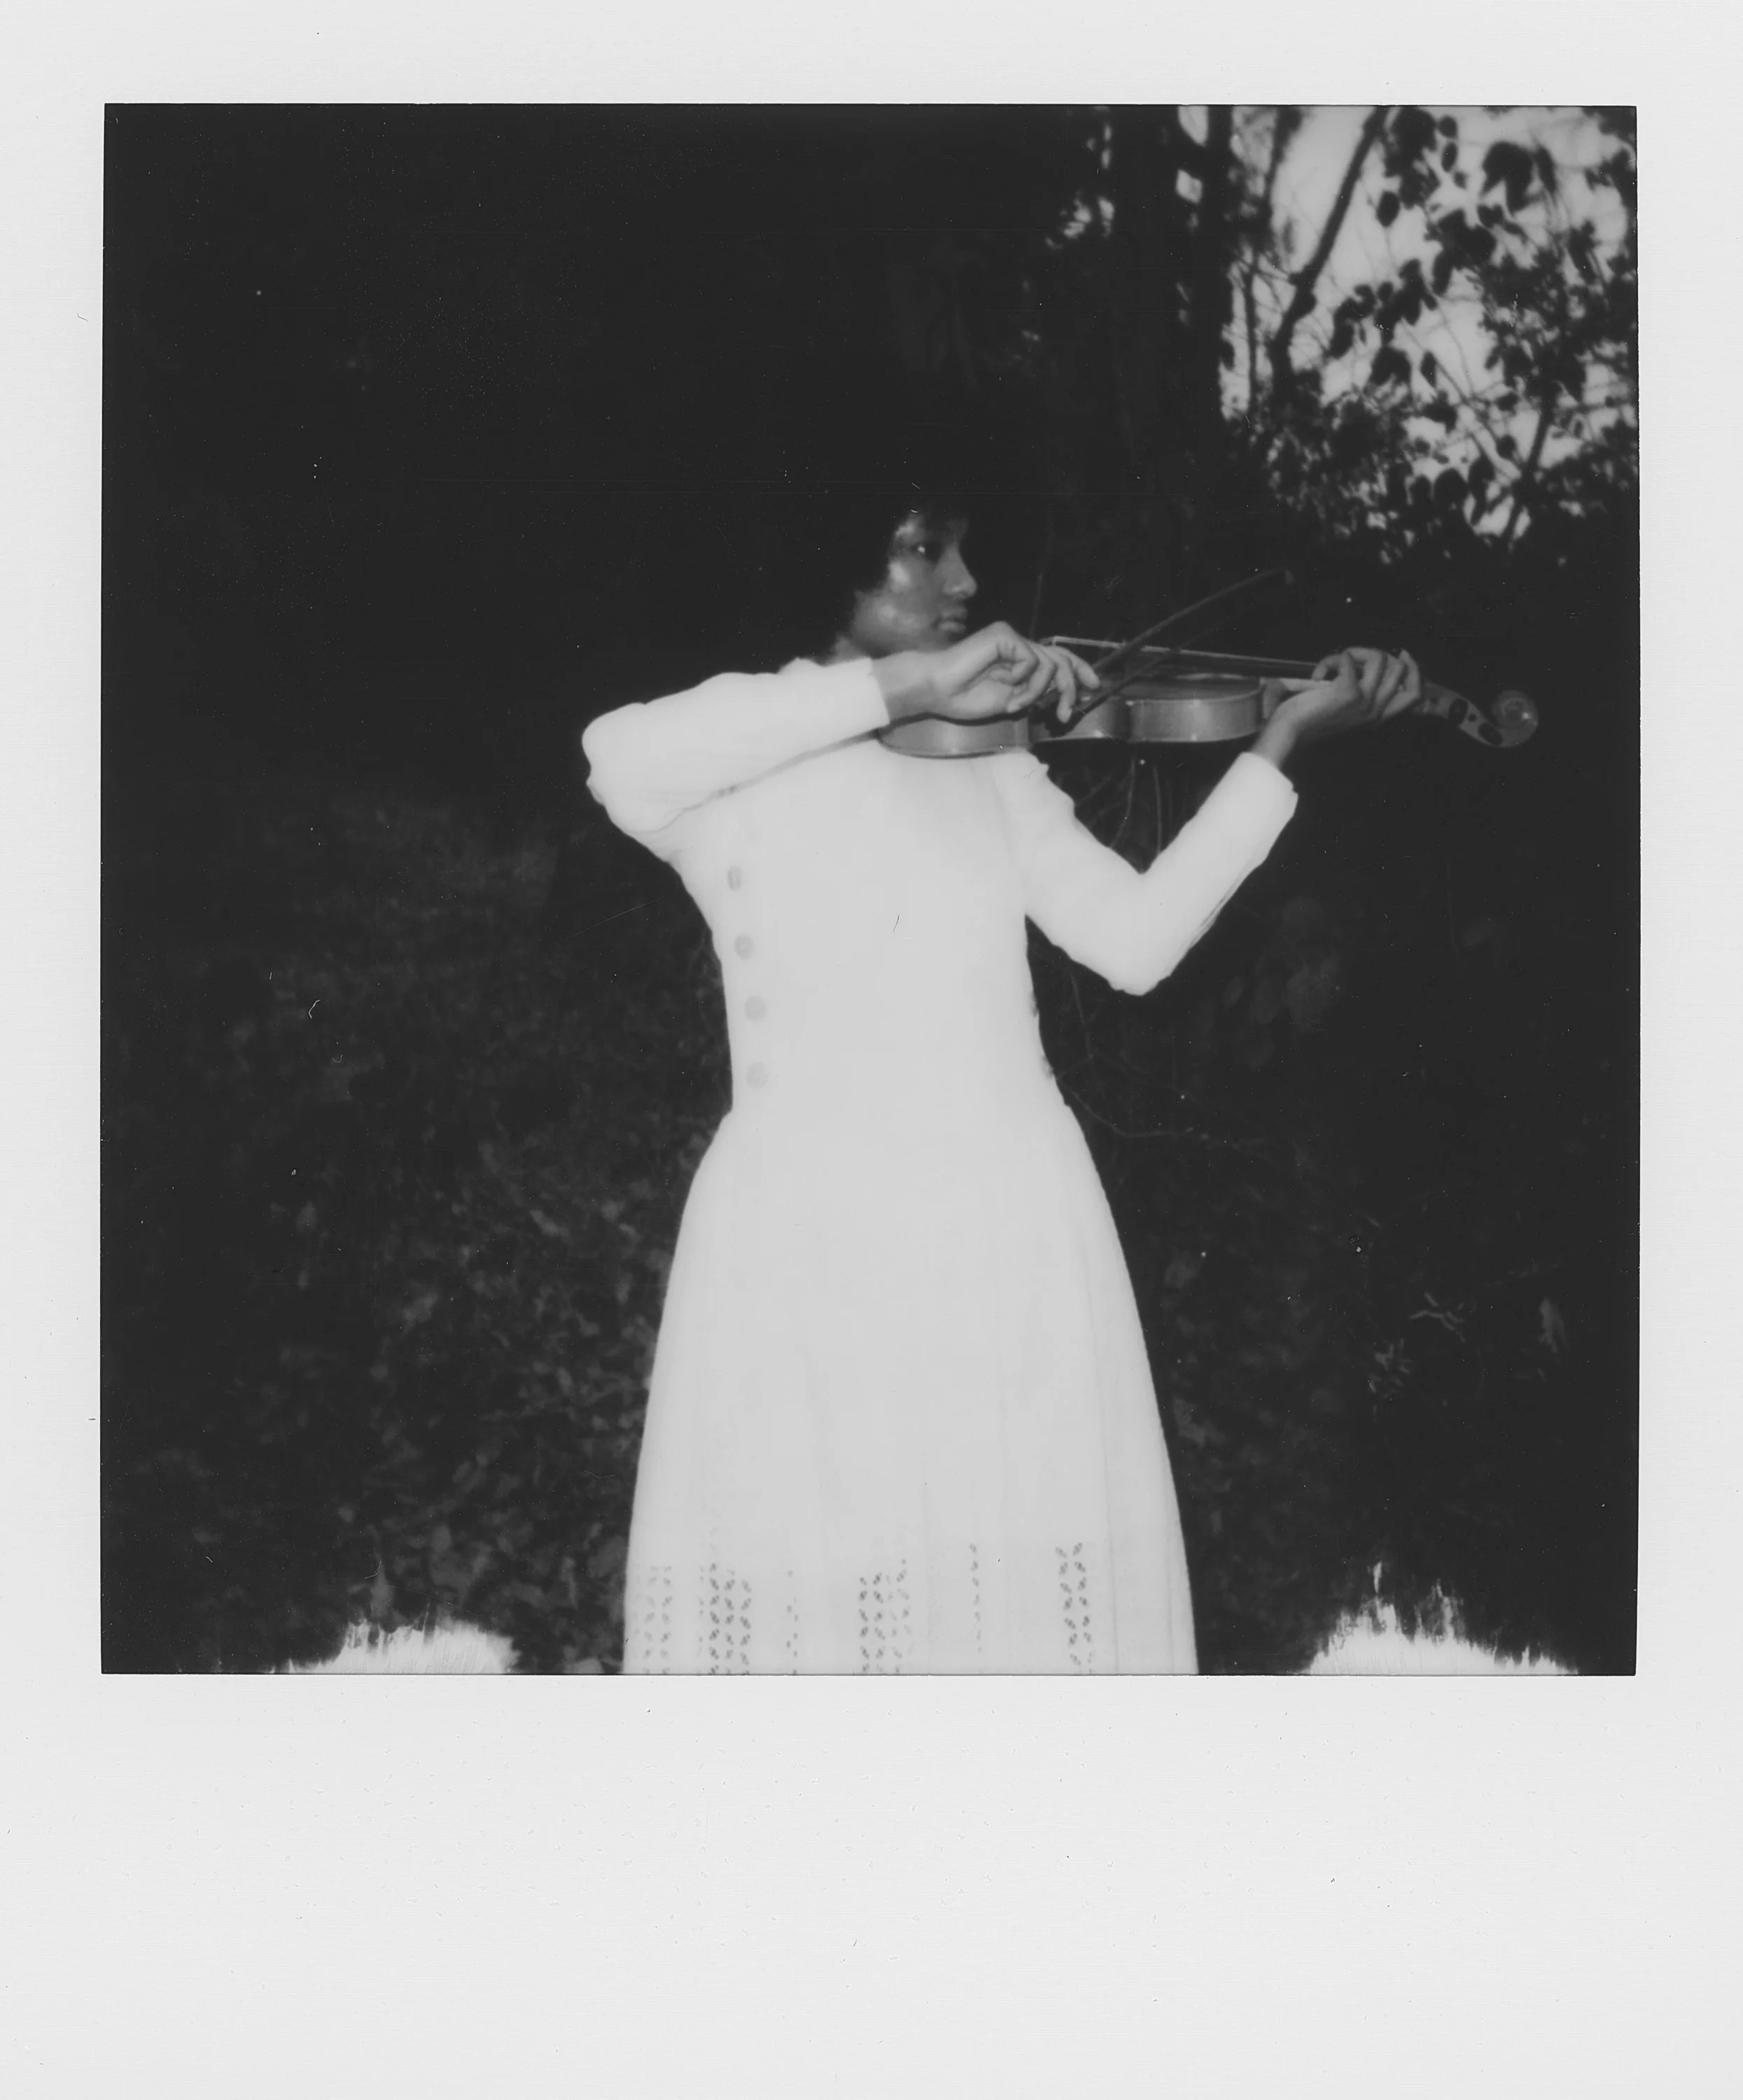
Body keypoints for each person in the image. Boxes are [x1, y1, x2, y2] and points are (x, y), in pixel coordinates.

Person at [581, 497, 1418, 1673]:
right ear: (827, 560)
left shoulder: (986, 763)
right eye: (925, 548)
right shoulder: (733, 763)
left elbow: (1135, 942)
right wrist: (915, 684)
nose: (966, 580)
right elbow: (614, 755)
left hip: (1008, 1226)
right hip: (807, 1237)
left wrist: (1276, 751)